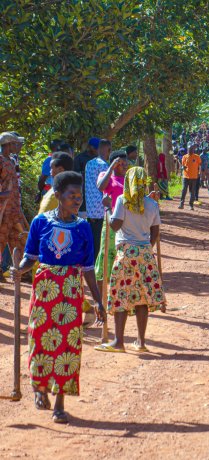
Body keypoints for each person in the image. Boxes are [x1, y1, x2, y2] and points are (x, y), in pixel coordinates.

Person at [12, 171, 105, 424]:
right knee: (39, 340)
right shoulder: (40, 222)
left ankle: (60, 403)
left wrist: (98, 300)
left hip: (71, 292)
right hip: (44, 291)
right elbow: (30, 257)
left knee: (68, 346)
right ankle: (40, 388)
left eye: (79, 196)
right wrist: (19, 270)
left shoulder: (83, 227)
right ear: (57, 195)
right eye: (71, 195)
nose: (77, 200)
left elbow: (88, 269)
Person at [95, 167, 166, 353]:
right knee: (142, 296)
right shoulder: (152, 204)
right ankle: (140, 342)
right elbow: (155, 232)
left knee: (121, 296)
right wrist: (145, 249)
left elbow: (115, 226)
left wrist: (107, 207)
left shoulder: (122, 200)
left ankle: (119, 342)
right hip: (145, 254)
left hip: (126, 253)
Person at [94, 150, 127, 291]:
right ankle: (100, 296)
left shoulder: (128, 179)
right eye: (121, 164)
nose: (124, 166)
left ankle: (118, 293)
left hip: (126, 224)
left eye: (126, 164)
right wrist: (111, 168)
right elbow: (100, 186)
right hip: (110, 221)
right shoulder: (106, 176)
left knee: (122, 257)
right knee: (105, 255)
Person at [0, 132, 28, 282]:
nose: (17, 146)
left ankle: (21, 271)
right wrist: (4, 194)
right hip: (3, 210)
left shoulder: (11, 161)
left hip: (14, 211)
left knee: (19, 240)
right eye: (14, 143)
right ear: (8, 144)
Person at [85, 139, 111, 259]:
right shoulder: (104, 166)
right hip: (101, 208)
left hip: (90, 208)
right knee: (100, 241)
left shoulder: (89, 163)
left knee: (93, 239)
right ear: (108, 150)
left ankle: (90, 263)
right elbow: (105, 187)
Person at [178, 145, 200, 210]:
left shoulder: (197, 157)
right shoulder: (184, 157)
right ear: (187, 150)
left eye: (191, 149)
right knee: (184, 190)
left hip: (194, 177)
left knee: (192, 191)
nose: (190, 150)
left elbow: (200, 165)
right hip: (186, 176)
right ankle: (181, 204)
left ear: (193, 150)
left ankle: (191, 205)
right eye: (189, 149)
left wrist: (199, 173)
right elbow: (182, 165)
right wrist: (183, 167)